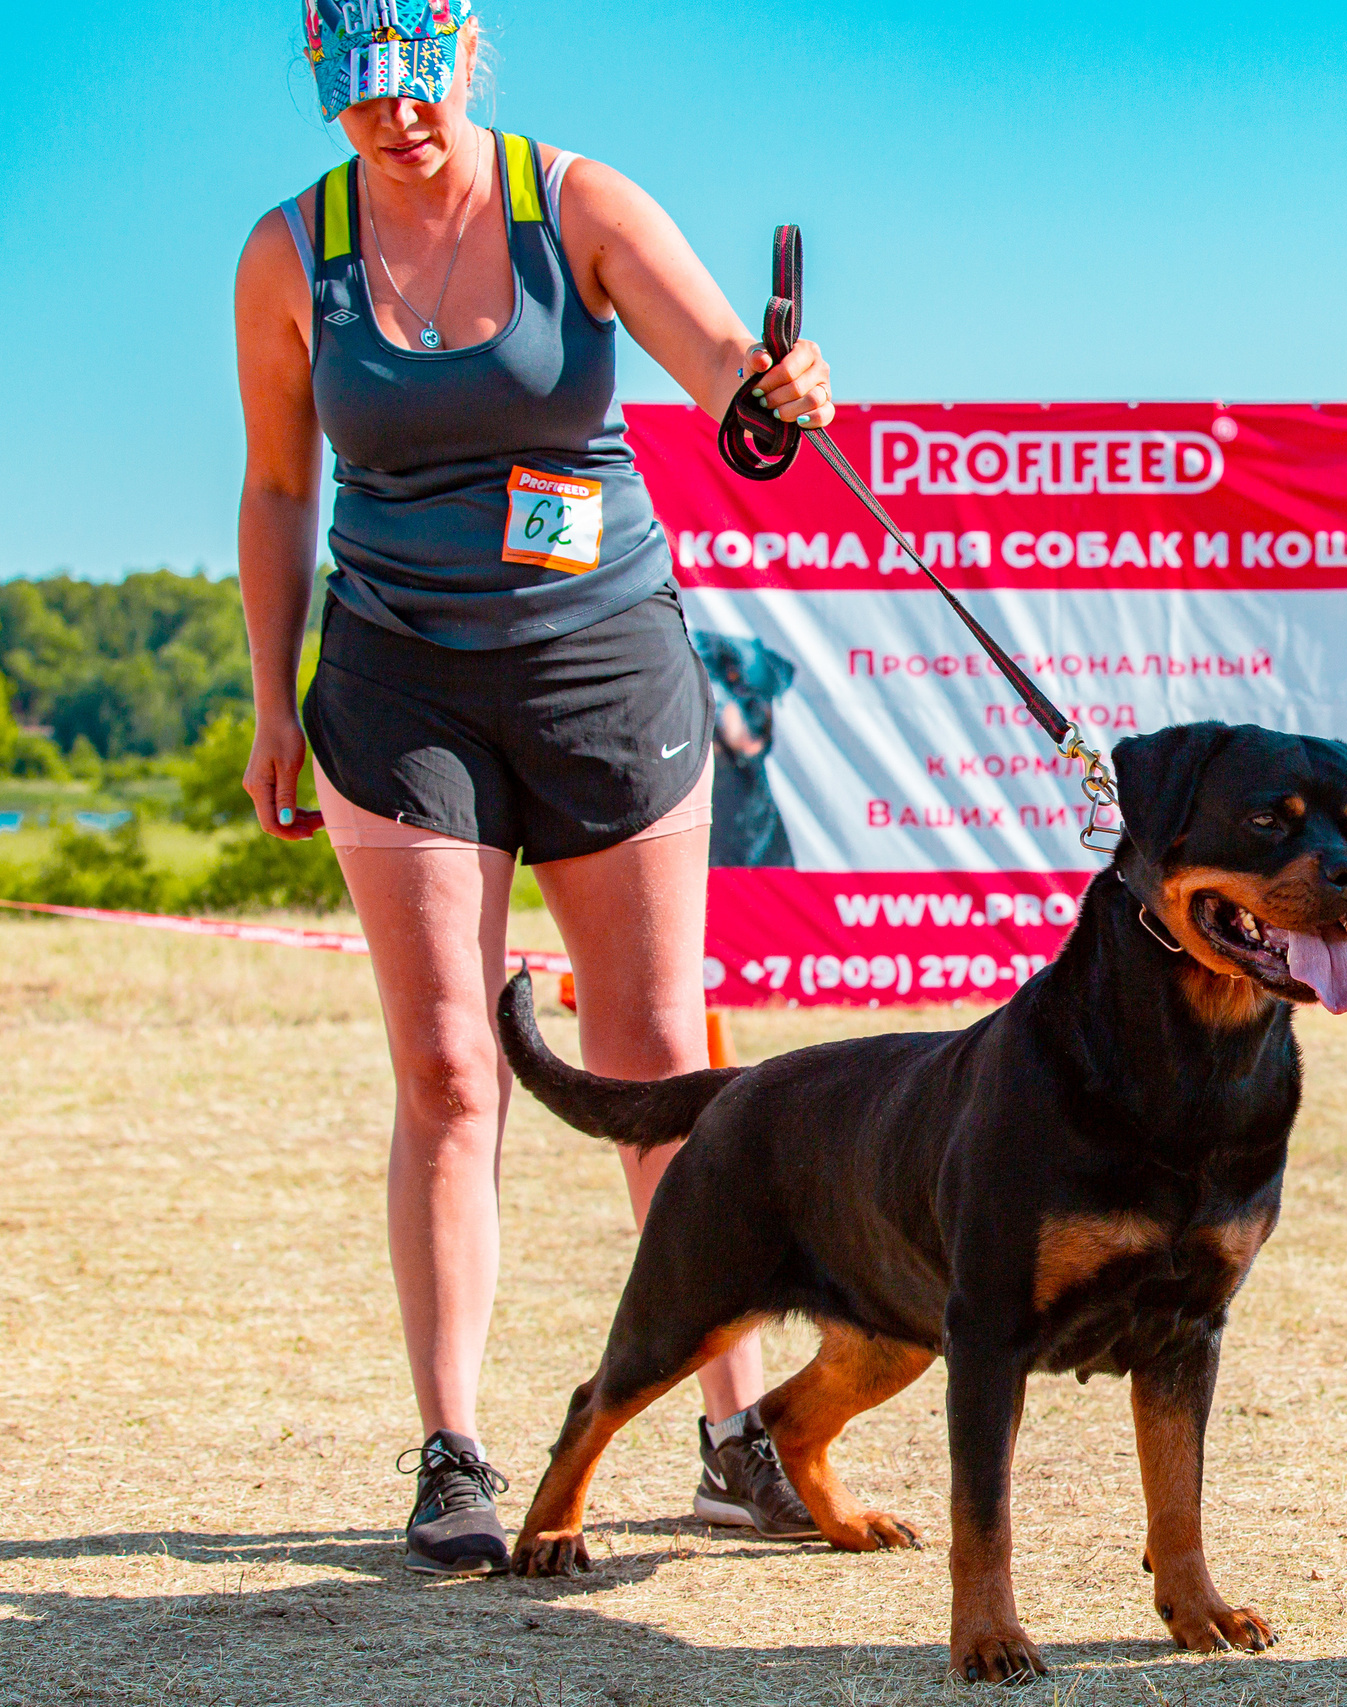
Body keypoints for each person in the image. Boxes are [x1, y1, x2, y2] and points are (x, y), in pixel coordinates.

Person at [233, 0, 835, 1575]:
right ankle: (454, 1453)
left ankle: (734, 1434)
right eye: (361, 98)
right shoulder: (289, 257)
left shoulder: (576, 203)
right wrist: (268, 697)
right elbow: (284, 481)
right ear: (325, 94)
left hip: (597, 663)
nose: (395, 119)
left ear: (465, 61)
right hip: (394, 678)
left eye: (416, 87)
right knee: (446, 1068)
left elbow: (721, 368)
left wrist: (770, 392)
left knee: (648, 1056)